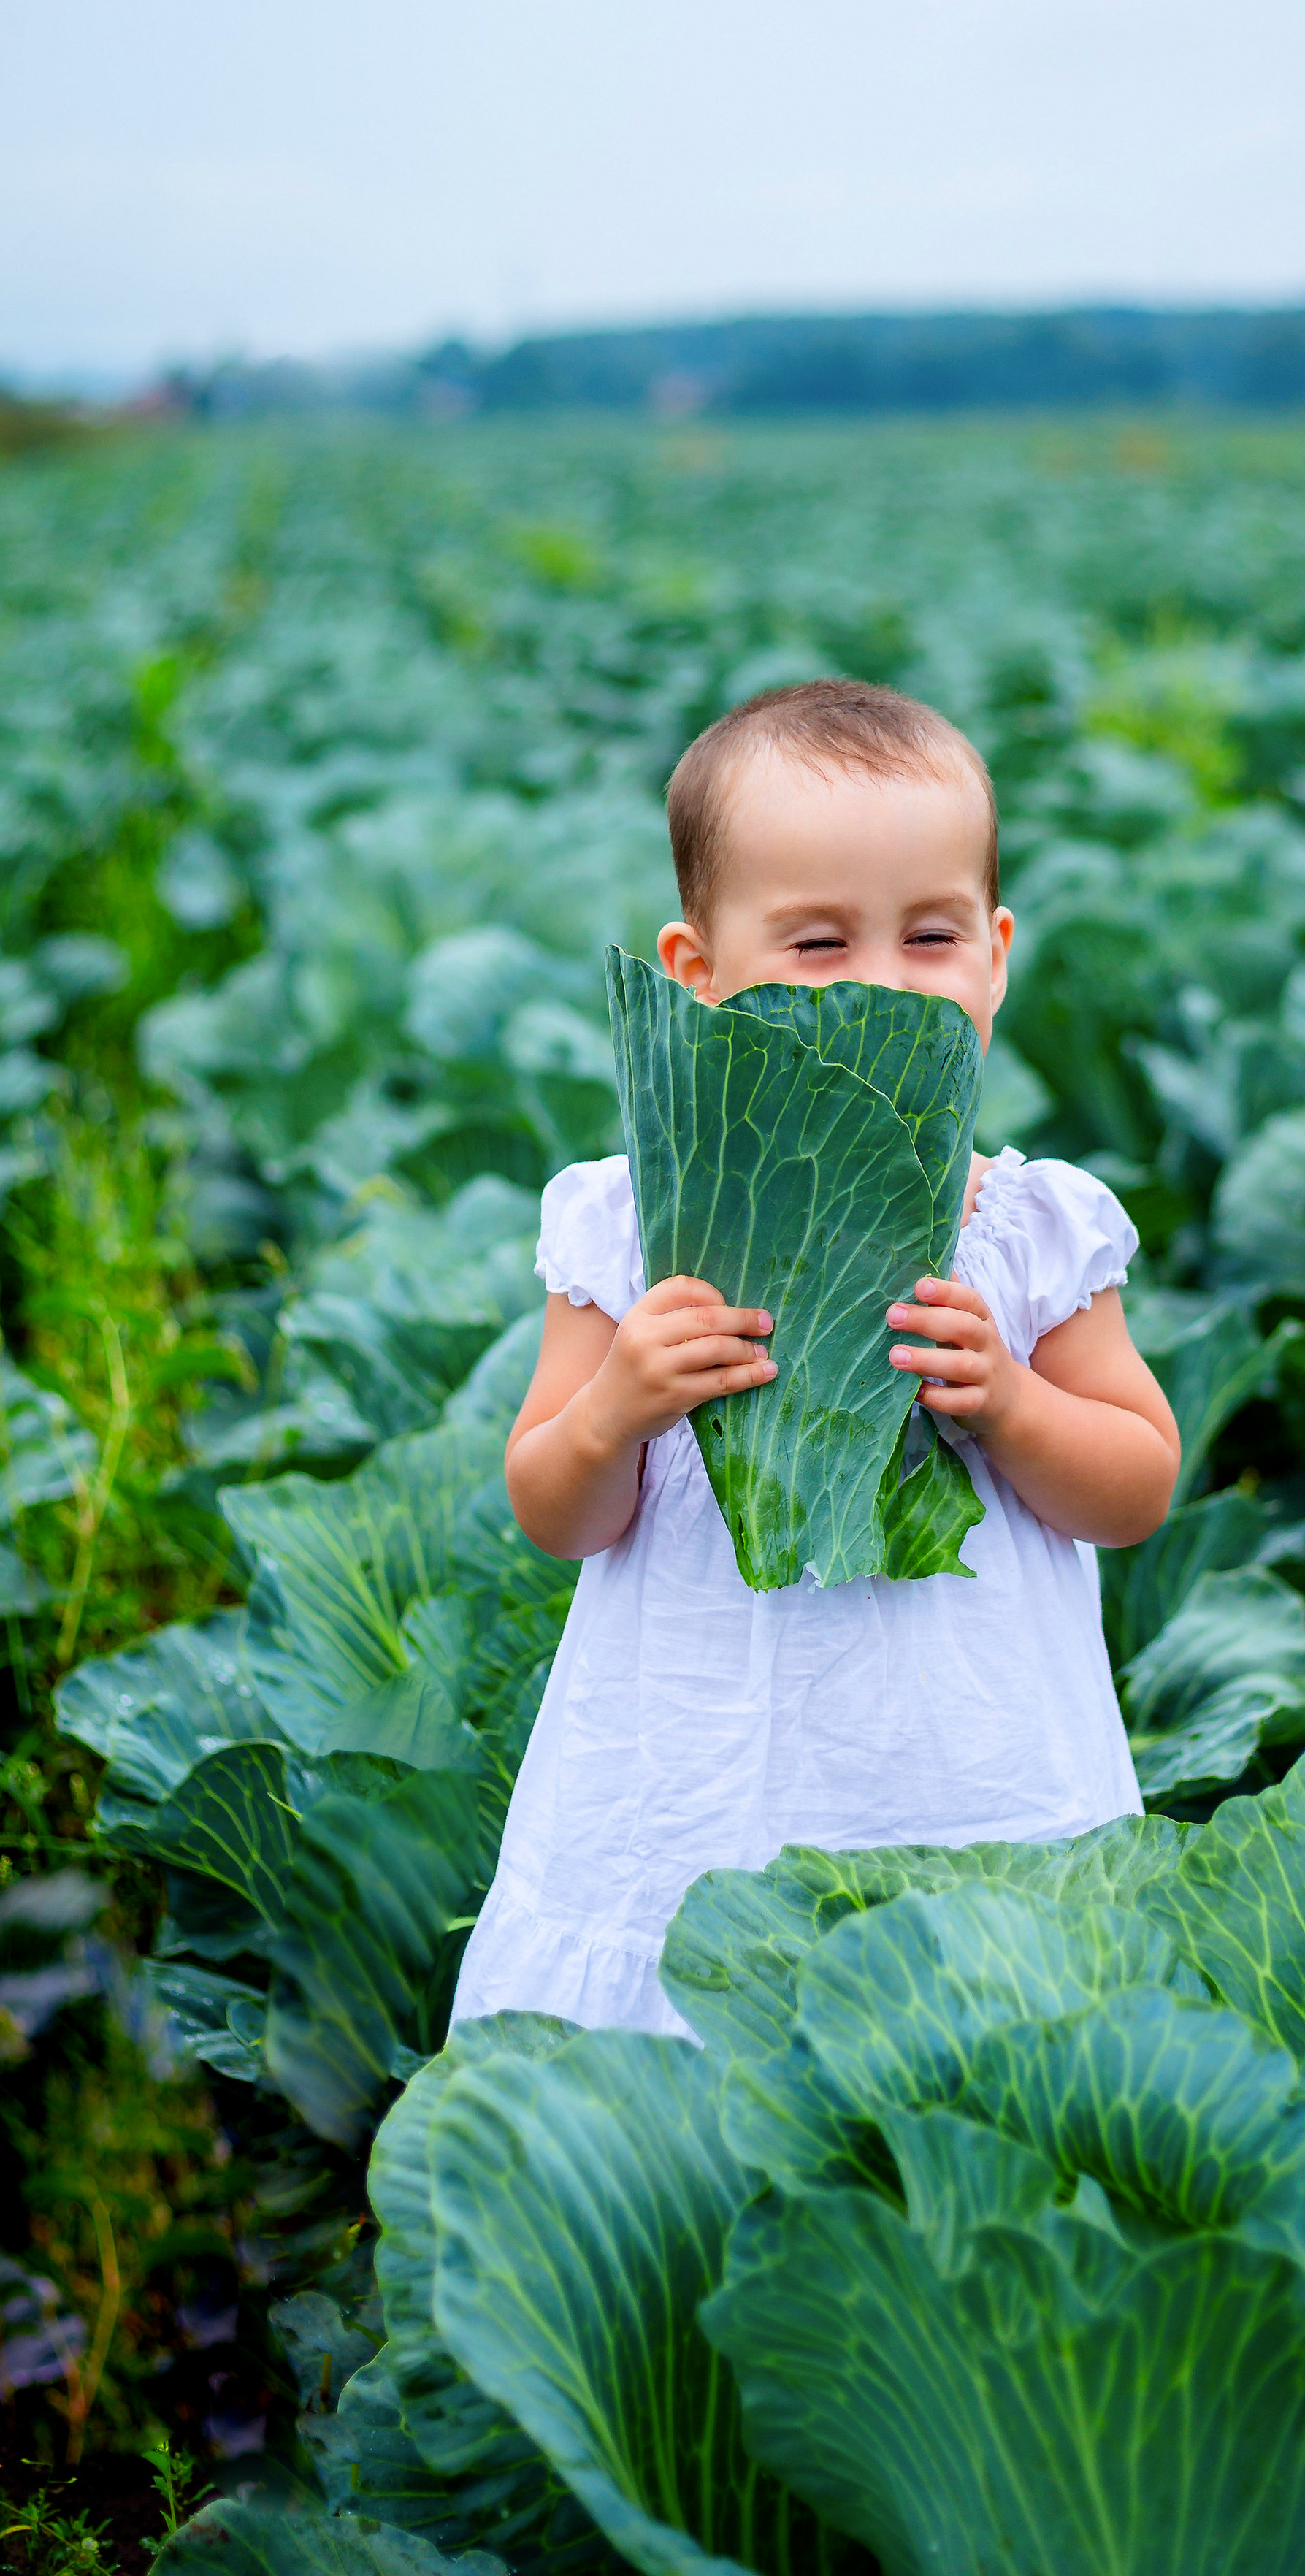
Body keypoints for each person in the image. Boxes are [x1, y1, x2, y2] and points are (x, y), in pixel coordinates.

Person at [451, 677, 1179, 2036]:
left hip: (975, 1774)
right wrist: (618, 1408)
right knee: (681, 2097)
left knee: (984, 2067)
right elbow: (556, 1511)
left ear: (998, 956)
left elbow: (1136, 1487)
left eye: (931, 936)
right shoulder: (633, 1227)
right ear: (699, 972)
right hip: (698, 1780)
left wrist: (1013, 1406)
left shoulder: (1033, 1228)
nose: (886, 988)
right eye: (820, 945)